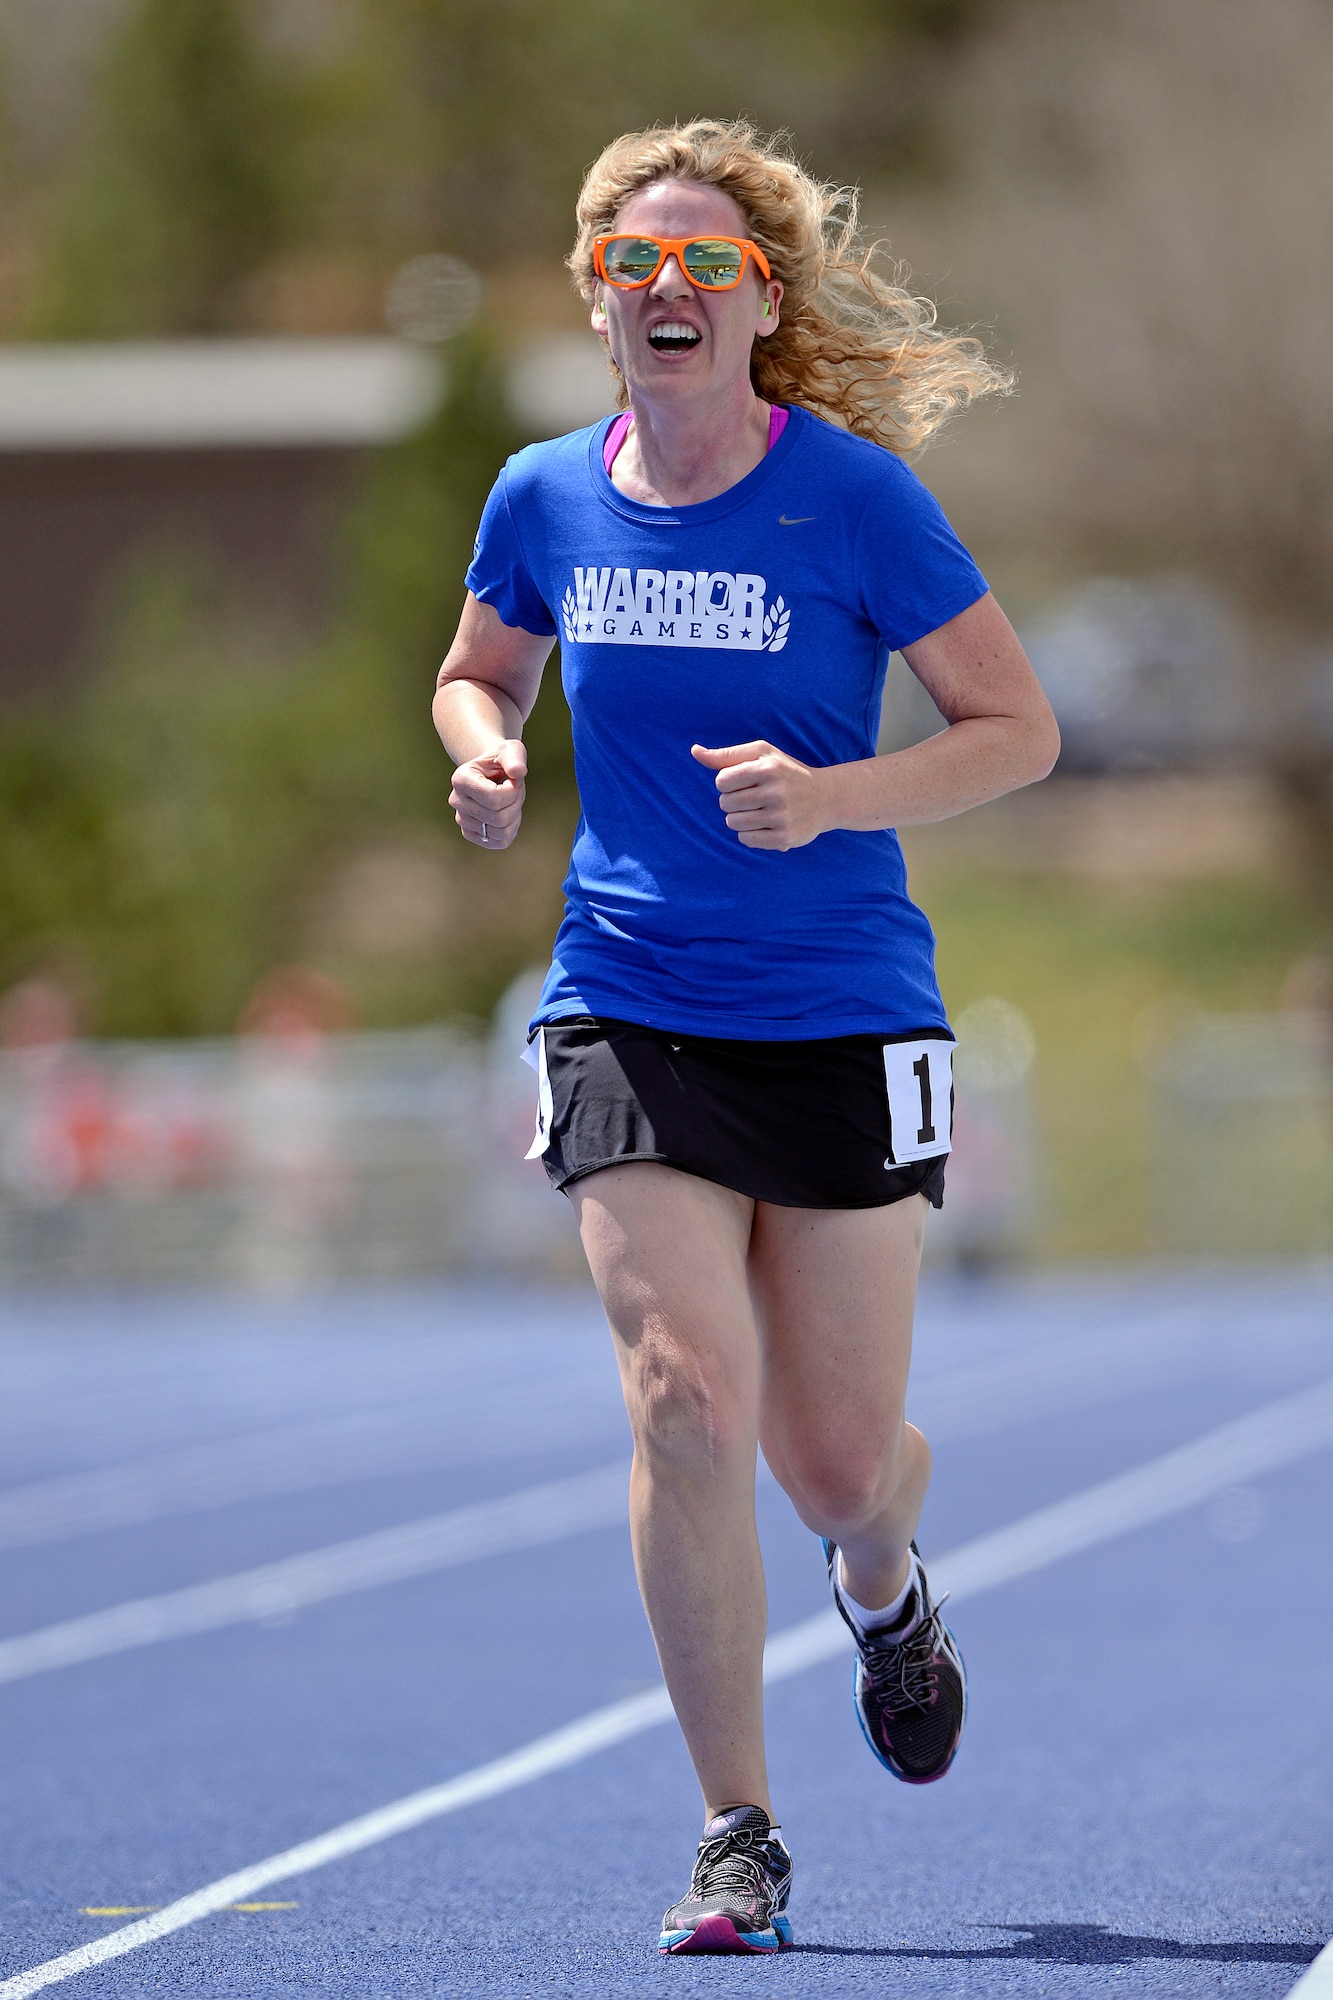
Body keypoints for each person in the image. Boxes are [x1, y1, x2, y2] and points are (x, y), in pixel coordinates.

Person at [432, 118, 1059, 1956]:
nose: (672, 292)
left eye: (709, 264)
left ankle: (883, 1584)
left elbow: (1011, 729)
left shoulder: (853, 499)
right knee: (685, 1401)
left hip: (843, 1015)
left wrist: (840, 792)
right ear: (597, 300)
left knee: (835, 1463)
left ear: (759, 300)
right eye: (640, 265)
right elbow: (482, 661)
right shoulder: (544, 495)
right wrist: (481, 745)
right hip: (628, 998)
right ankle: (737, 1832)